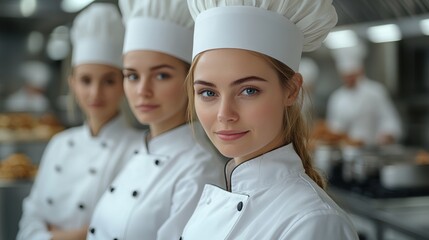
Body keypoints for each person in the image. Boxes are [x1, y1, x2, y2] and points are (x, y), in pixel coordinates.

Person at [180, 0, 359, 239]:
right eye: (208, 93)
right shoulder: (224, 193)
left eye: (248, 90)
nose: (224, 114)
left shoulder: (313, 222)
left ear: (291, 90)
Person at [87, 0, 224, 239]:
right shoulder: (139, 151)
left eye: (161, 75)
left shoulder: (199, 170)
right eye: (132, 76)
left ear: (191, 79)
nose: (143, 90)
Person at [17, 3, 142, 240]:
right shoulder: (59, 144)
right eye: (86, 80)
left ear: (125, 84)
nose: (95, 93)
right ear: (72, 82)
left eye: (108, 81)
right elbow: (29, 223)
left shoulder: (138, 150)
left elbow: (127, 232)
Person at [327, 42, 402, 146]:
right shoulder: (337, 98)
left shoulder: (376, 92)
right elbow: (333, 128)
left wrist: (387, 134)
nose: (349, 79)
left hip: (374, 148)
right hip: (347, 150)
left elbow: (388, 119)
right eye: (346, 76)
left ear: (360, 71)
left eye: (352, 76)